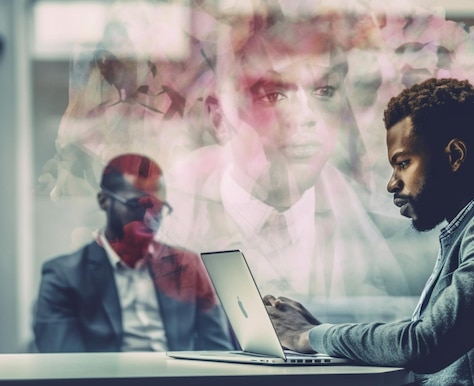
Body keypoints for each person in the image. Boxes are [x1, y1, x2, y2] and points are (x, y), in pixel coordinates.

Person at [264, 78, 474, 386]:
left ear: (454, 156)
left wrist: (308, 335)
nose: (392, 184)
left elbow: (426, 343)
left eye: (403, 163)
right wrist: (319, 333)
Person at [162, 19, 415, 321]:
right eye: (273, 95)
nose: (305, 116)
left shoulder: (384, 228)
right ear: (219, 117)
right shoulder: (167, 222)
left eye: (324, 91)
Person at [34, 153, 233, 353]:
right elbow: (63, 366)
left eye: (157, 207)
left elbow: (220, 351)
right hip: (107, 383)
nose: (149, 217)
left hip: (178, 382)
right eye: (137, 205)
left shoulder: (186, 267)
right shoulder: (64, 277)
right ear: (104, 201)